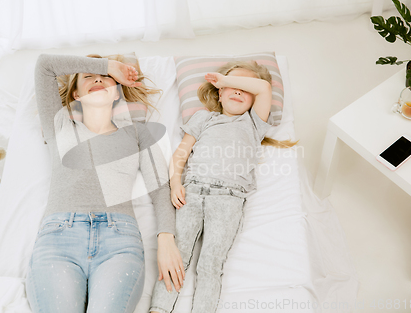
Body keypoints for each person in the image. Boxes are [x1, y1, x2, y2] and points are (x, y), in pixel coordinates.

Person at [25, 53, 184, 313]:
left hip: (119, 242)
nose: (98, 78)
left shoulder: (138, 133)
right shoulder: (59, 126)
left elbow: (160, 188)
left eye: (106, 79)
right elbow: (44, 65)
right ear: (76, 94)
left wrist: (166, 239)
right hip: (59, 239)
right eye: (88, 76)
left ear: (117, 93)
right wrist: (109, 67)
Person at [149, 61, 297, 313]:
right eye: (232, 86)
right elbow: (180, 156)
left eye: (243, 87)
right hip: (191, 193)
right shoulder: (203, 118)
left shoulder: (253, 124)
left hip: (228, 199)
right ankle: (158, 309)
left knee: (210, 264)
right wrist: (175, 183)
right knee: (178, 258)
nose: (238, 91)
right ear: (219, 93)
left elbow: (262, 87)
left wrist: (227, 80)